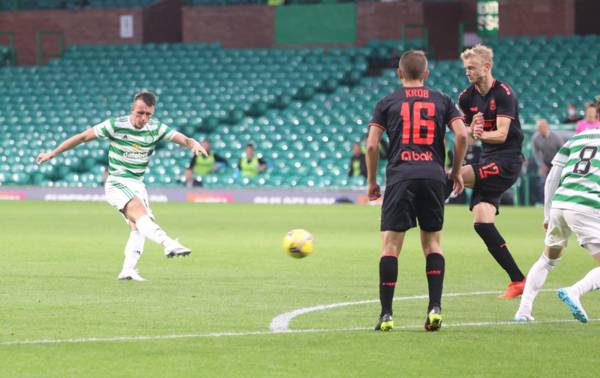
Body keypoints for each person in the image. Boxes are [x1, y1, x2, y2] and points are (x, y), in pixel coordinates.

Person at [36, 91, 207, 281]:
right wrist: (53, 153)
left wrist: (194, 144)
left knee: (138, 226)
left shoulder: (156, 128)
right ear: (132, 109)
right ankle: (168, 243)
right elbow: (83, 137)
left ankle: (128, 270)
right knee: (139, 211)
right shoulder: (115, 125)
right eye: (140, 113)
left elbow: (183, 139)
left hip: (137, 184)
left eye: (148, 114)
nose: (143, 118)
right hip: (117, 181)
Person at [367, 50, 468, 332]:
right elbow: (462, 135)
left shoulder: (387, 102)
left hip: (401, 176)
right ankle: (435, 307)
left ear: (399, 73)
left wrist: (372, 181)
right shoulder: (443, 100)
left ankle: (386, 315)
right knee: (432, 244)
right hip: (434, 177)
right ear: (426, 74)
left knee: (390, 247)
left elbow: (373, 145)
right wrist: (456, 170)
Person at [455, 44, 527, 298]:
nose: (468, 72)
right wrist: (469, 132)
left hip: (507, 161)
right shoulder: (466, 98)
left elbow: (502, 134)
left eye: (472, 68)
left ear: (486, 67)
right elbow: (464, 136)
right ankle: (518, 280)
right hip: (487, 158)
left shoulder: (504, 93)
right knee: (482, 223)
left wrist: (479, 133)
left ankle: (414, 210)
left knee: (452, 176)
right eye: (466, 69)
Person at [514, 126, 600, 323]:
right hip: (585, 206)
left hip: (560, 203)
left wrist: (547, 214)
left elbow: (552, 177)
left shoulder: (578, 138)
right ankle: (574, 291)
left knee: (548, 259)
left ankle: (523, 311)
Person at [531, 119, 563, 204]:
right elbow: (536, 153)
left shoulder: (556, 137)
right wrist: (541, 165)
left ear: (547, 127)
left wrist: (558, 164)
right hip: (545, 162)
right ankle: (543, 202)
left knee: (558, 182)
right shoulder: (536, 138)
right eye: (539, 128)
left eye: (543, 127)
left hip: (556, 162)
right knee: (543, 182)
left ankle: (558, 202)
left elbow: (562, 150)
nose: (541, 129)